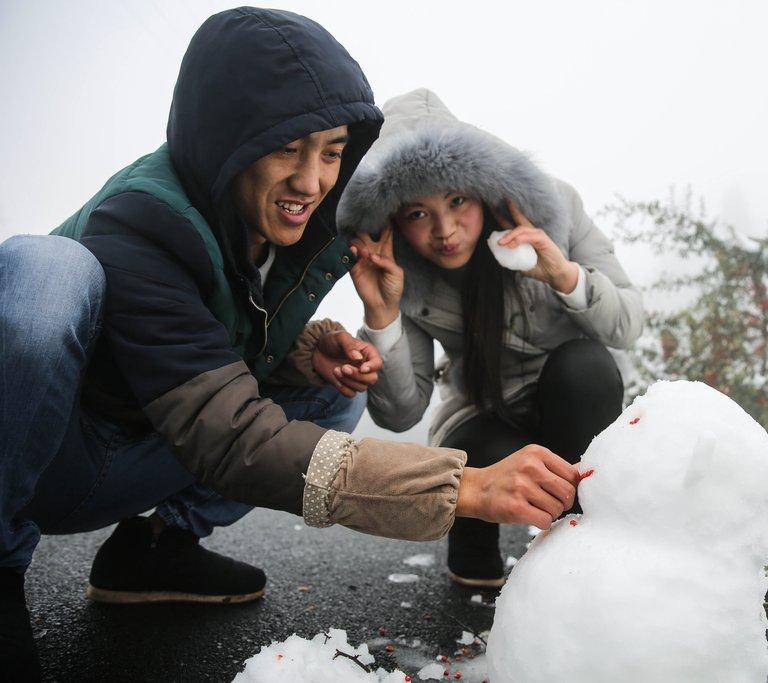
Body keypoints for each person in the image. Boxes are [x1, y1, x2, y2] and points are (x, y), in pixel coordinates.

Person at [0, 12, 578, 677]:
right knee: (45, 271)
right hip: (51, 457)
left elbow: (198, 343)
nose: (312, 181)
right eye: (288, 148)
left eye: (332, 151)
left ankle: (154, 548)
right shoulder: (140, 221)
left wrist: (308, 349)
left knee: (330, 390)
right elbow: (227, 433)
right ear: (226, 141)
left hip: (145, 445)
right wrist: (463, 487)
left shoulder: (288, 225)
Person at [339, 89, 644, 588]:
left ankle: (584, 543)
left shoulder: (556, 211)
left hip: (571, 397)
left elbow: (628, 325)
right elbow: (400, 414)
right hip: (484, 411)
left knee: (585, 365)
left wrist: (563, 275)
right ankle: (473, 541)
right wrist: (381, 311)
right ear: (394, 220)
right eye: (418, 213)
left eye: (457, 201)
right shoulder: (403, 274)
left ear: (481, 190)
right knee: (485, 450)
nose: (445, 230)